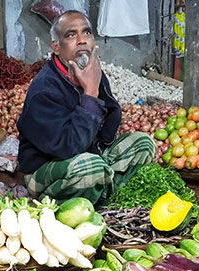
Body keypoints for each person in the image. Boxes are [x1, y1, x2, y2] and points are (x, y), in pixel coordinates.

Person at [17, 10, 155, 205]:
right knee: (91, 168)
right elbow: (68, 148)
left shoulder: (92, 73)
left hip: (90, 156)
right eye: (71, 35)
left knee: (142, 143)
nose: (82, 40)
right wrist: (90, 93)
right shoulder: (44, 90)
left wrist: (92, 86)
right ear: (56, 47)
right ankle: (86, 198)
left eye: (87, 33)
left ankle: (104, 194)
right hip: (48, 168)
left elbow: (109, 126)